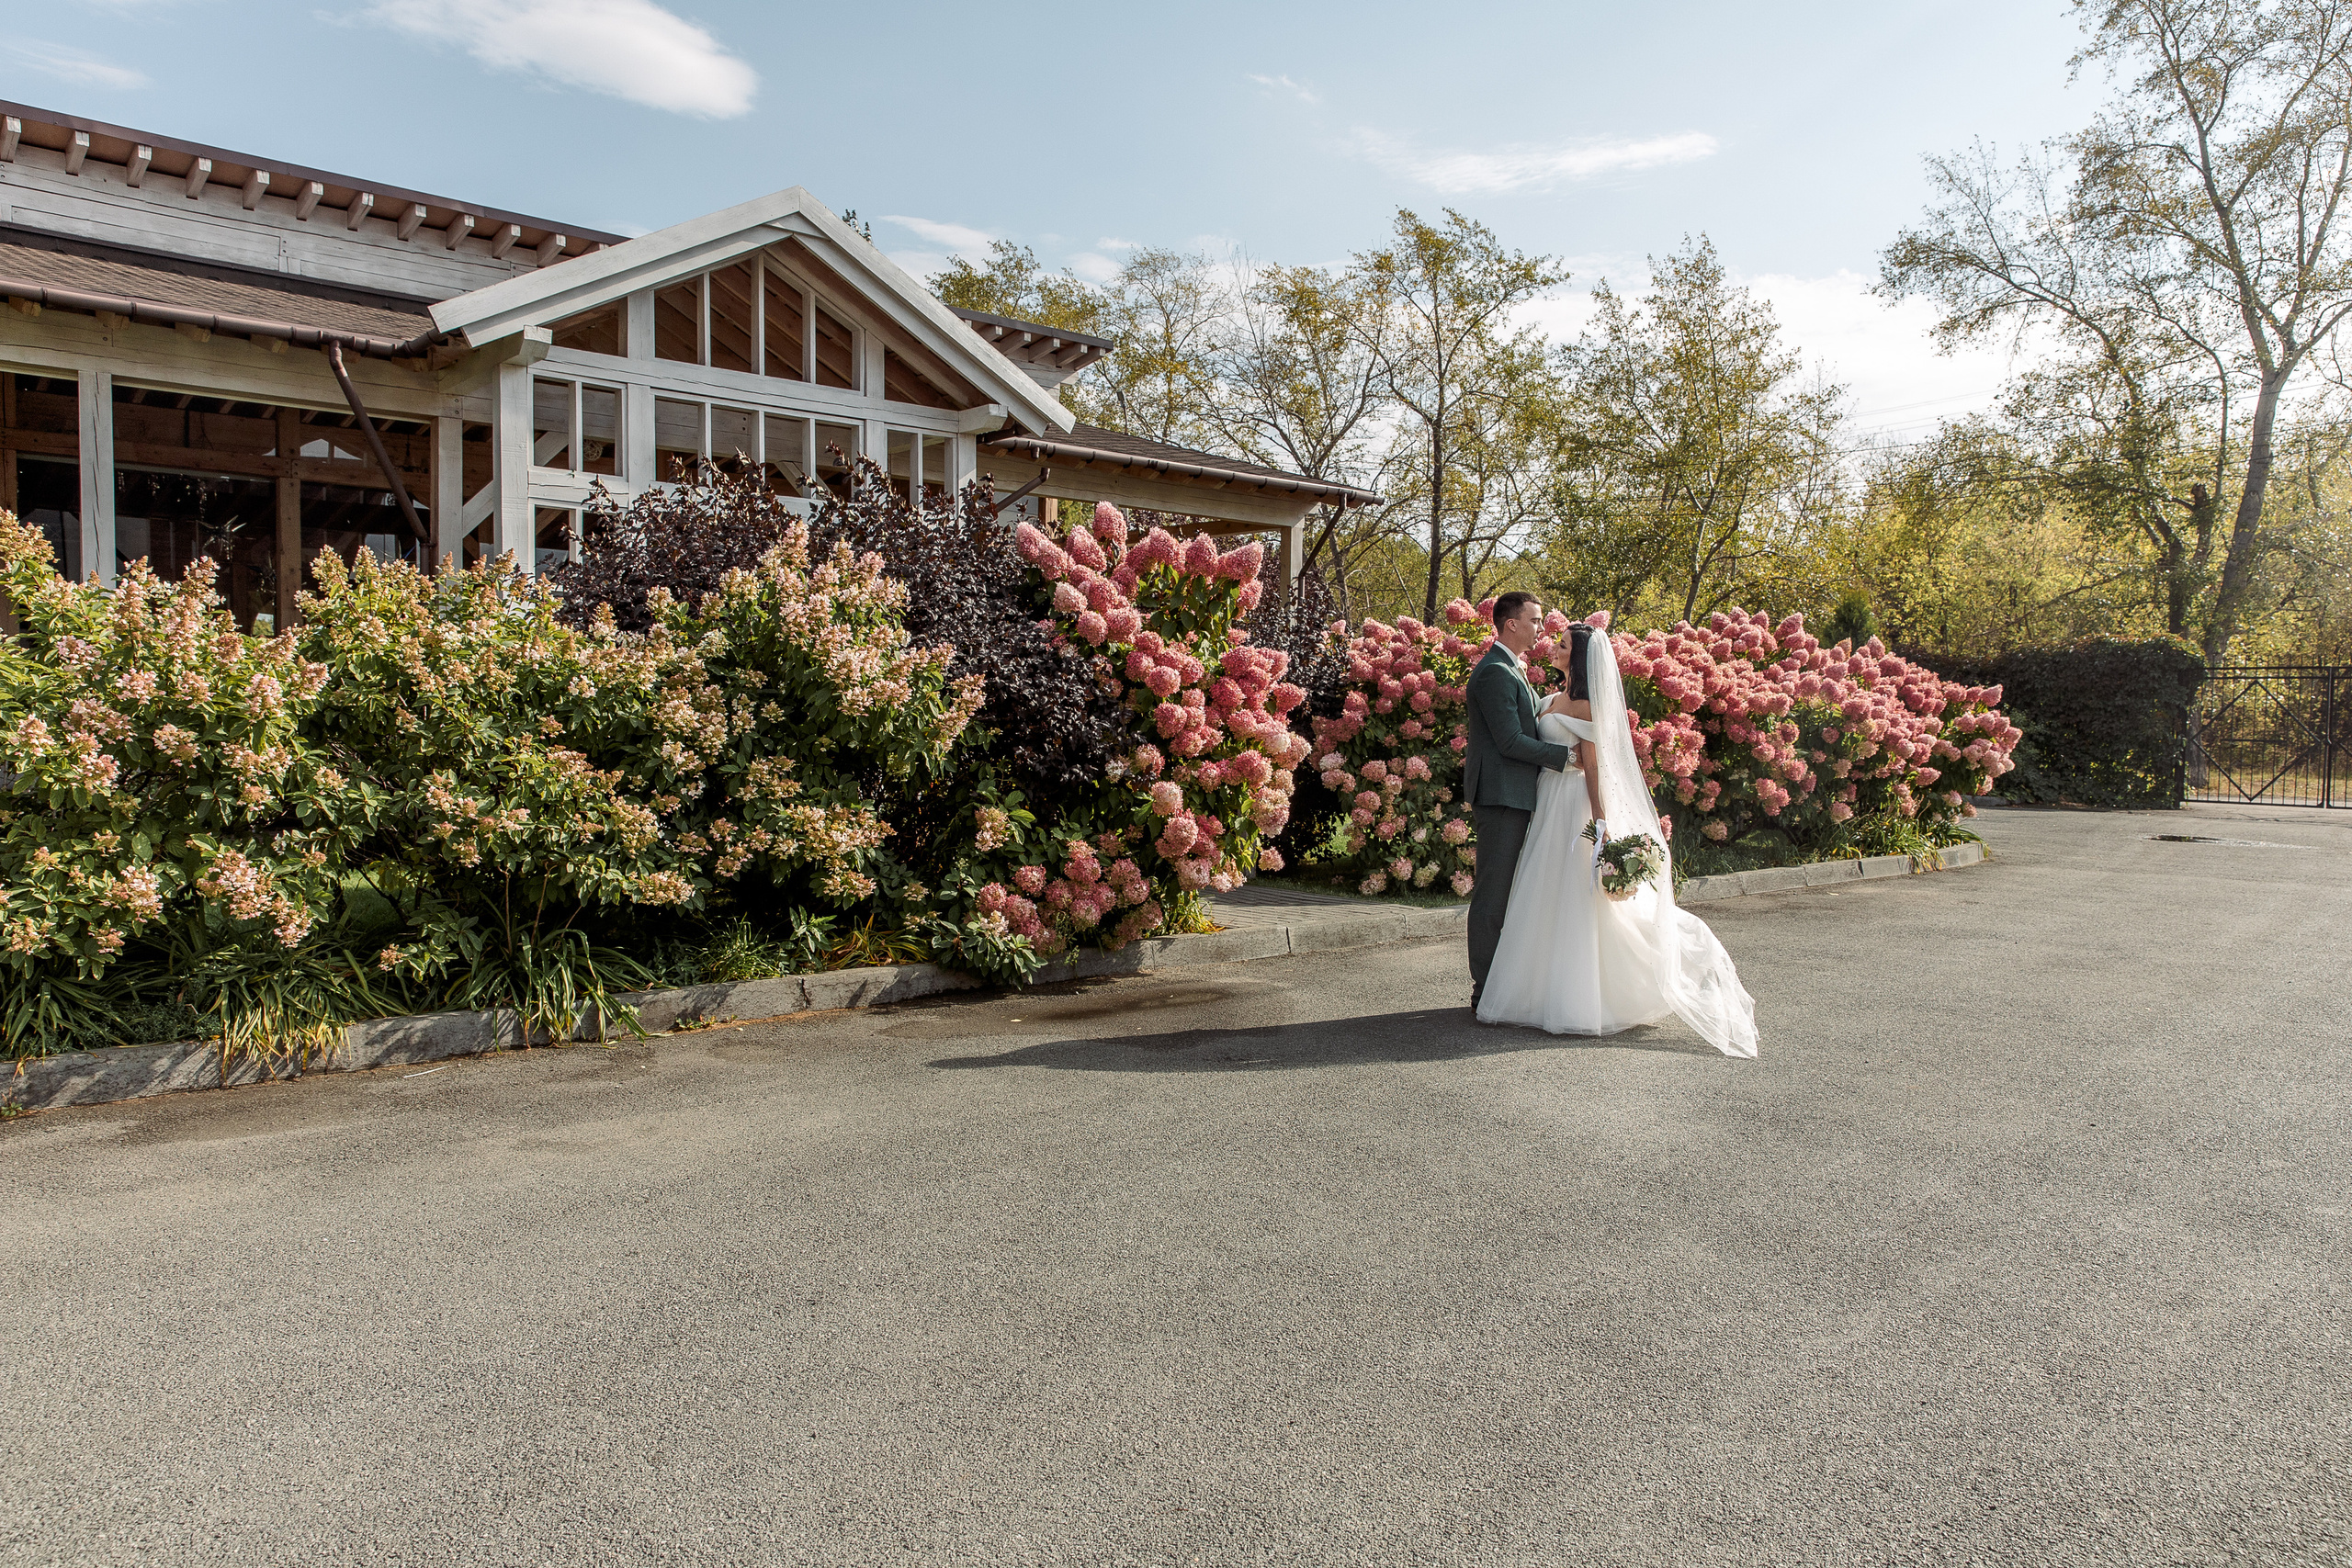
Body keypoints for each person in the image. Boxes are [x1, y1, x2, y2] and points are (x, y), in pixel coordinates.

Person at [1474, 620, 1760, 1058]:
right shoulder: (1547, 698)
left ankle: (1579, 996)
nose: (1553, 645)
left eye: (1564, 644)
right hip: (1546, 806)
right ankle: (1533, 989)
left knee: (1575, 900)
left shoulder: (1588, 706)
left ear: (1580, 657)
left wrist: (1602, 823)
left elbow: (1592, 766)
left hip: (1574, 808)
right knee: (1542, 896)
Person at [1462, 592, 1578, 1014]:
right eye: (1535, 620)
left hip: (1514, 793)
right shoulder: (1495, 672)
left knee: (1508, 890)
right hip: (1500, 796)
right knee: (1492, 894)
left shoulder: (1510, 667)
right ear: (1511, 623)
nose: (1540, 628)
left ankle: (1499, 985)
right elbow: (1510, 741)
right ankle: (1485, 991)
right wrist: (1567, 758)